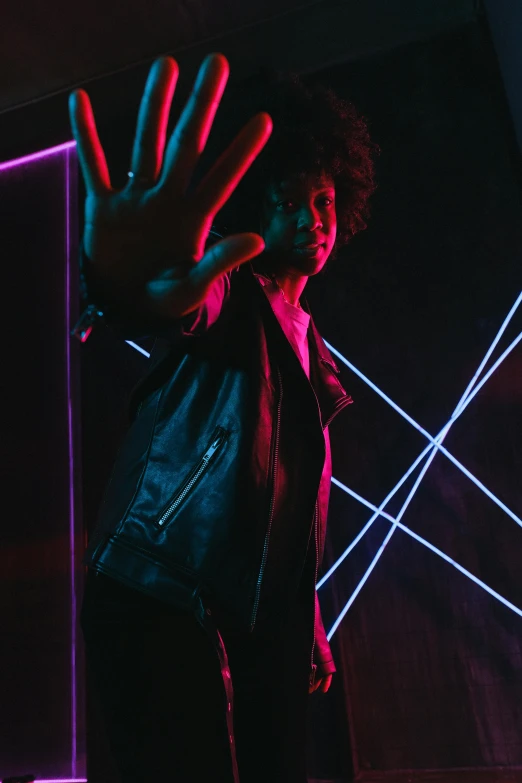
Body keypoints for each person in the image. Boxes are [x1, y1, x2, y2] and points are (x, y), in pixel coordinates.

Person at [70, 53, 376, 783]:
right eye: (287, 199)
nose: (311, 218)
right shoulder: (231, 291)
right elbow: (177, 303)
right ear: (253, 209)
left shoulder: (317, 357)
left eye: (325, 201)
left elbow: (288, 510)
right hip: (156, 592)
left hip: (250, 617)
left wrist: (303, 620)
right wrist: (122, 282)